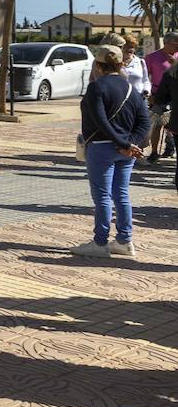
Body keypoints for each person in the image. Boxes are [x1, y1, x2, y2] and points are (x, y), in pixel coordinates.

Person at [73, 45, 150, 258]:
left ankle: (100, 243)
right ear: (120, 63)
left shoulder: (97, 87)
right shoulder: (129, 88)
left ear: (98, 65)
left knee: (103, 197)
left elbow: (100, 120)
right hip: (125, 150)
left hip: (101, 148)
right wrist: (129, 144)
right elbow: (145, 123)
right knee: (121, 194)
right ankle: (125, 241)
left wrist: (122, 143)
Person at [144, 34, 178, 162]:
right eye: (176, 43)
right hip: (158, 95)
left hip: (175, 95)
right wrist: (149, 94)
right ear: (167, 43)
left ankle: (170, 148)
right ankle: (154, 152)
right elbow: (145, 76)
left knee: (173, 124)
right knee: (158, 124)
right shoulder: (152, 57)